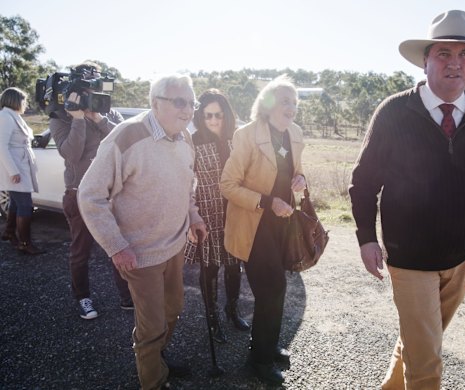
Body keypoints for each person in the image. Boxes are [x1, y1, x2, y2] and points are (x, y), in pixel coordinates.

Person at [349, 10, 465, 390]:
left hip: (461, 257)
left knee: (422, 342)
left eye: (464, 54)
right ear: (426, 60)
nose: (454, 63)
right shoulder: (393, 113)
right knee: (428, 363)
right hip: (409, 258)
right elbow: (363, 182)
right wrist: (367, 238)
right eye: (443, 54)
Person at [77, 73, 207, 390]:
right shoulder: (126, 137)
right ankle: (153, 380)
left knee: (173, 310)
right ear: (155, 103)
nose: (188, 110)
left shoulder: (185, 138)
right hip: (140, 254)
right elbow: (90, 195)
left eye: (192, 103)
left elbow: (186, 185)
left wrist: (193, 215)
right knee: (151, 327)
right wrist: (117, 247)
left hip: (175, 245)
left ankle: (157, 358)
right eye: (180, 102)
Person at [220, 75, 306, 386]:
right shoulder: (246, 135)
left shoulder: (294, 133)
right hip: (254, 227)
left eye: (295, 102)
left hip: (283, 226)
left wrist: (301, 180)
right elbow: (227, 185)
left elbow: (295, 171)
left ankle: (266, 346)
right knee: (273, 289)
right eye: (285, 101)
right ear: (268, 104)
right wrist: (267, 202)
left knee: (275, 289)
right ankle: (259, 360)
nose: (292, 108)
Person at [49, 61, 132, 320]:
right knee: (80, 251)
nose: (91, 93)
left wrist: (99, 118)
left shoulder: (109, 112)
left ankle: (127, 296)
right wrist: (78, 120)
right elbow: (71, 154)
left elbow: (122, 143)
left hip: (112, 193)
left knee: (117, 245)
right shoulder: (60, 116)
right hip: (79, 193)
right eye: (86, 88)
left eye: (96, 86)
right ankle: (83, 297)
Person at [184, 89, 250, 344]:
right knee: (210, 267)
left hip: (236, 211)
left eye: (219, 115)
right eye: (208, 115)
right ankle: (212, 319)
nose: (213, 120)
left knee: (235, 266)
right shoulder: (194, 140)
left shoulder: (238, 138)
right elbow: (187, 179)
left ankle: (232, 310)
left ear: (227, 115)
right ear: (201, 115)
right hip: (208, 211)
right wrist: (192, 214)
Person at [0, 87, 45, 255]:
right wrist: (13, 171)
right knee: (25, 205)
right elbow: (1, 146)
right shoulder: (5, 117)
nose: (25, 104)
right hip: (15, 167)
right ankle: (25, 243)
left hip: (20, 164)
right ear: (15, 100)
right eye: (23, 100)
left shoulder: (13, 116)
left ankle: (9, 232)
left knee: (16, 203)